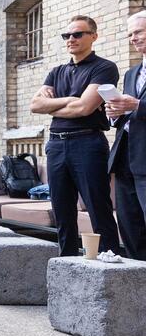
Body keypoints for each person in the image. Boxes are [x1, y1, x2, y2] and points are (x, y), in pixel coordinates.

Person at [30, 15, 122, 257]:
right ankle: (67, 262)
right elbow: (35, 105)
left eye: (78, 34)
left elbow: (84, 108)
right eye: (67, 35)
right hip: (56, 145)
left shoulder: (104, 68)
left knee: (97, 208)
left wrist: (54, 105)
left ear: (93, 36)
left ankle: (109, 262)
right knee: (62, 210)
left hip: (87, 143)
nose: (71, 39)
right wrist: (70, 100)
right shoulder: (56, 71)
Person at [106, 10, 146, 261]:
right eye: (130, 34)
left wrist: (138, 106)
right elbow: (126, 110)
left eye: (138, 31)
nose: (133, 38)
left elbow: (136, 106)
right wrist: (114, 112)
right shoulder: (131, 73)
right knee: (130, 228)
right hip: (124, 160)